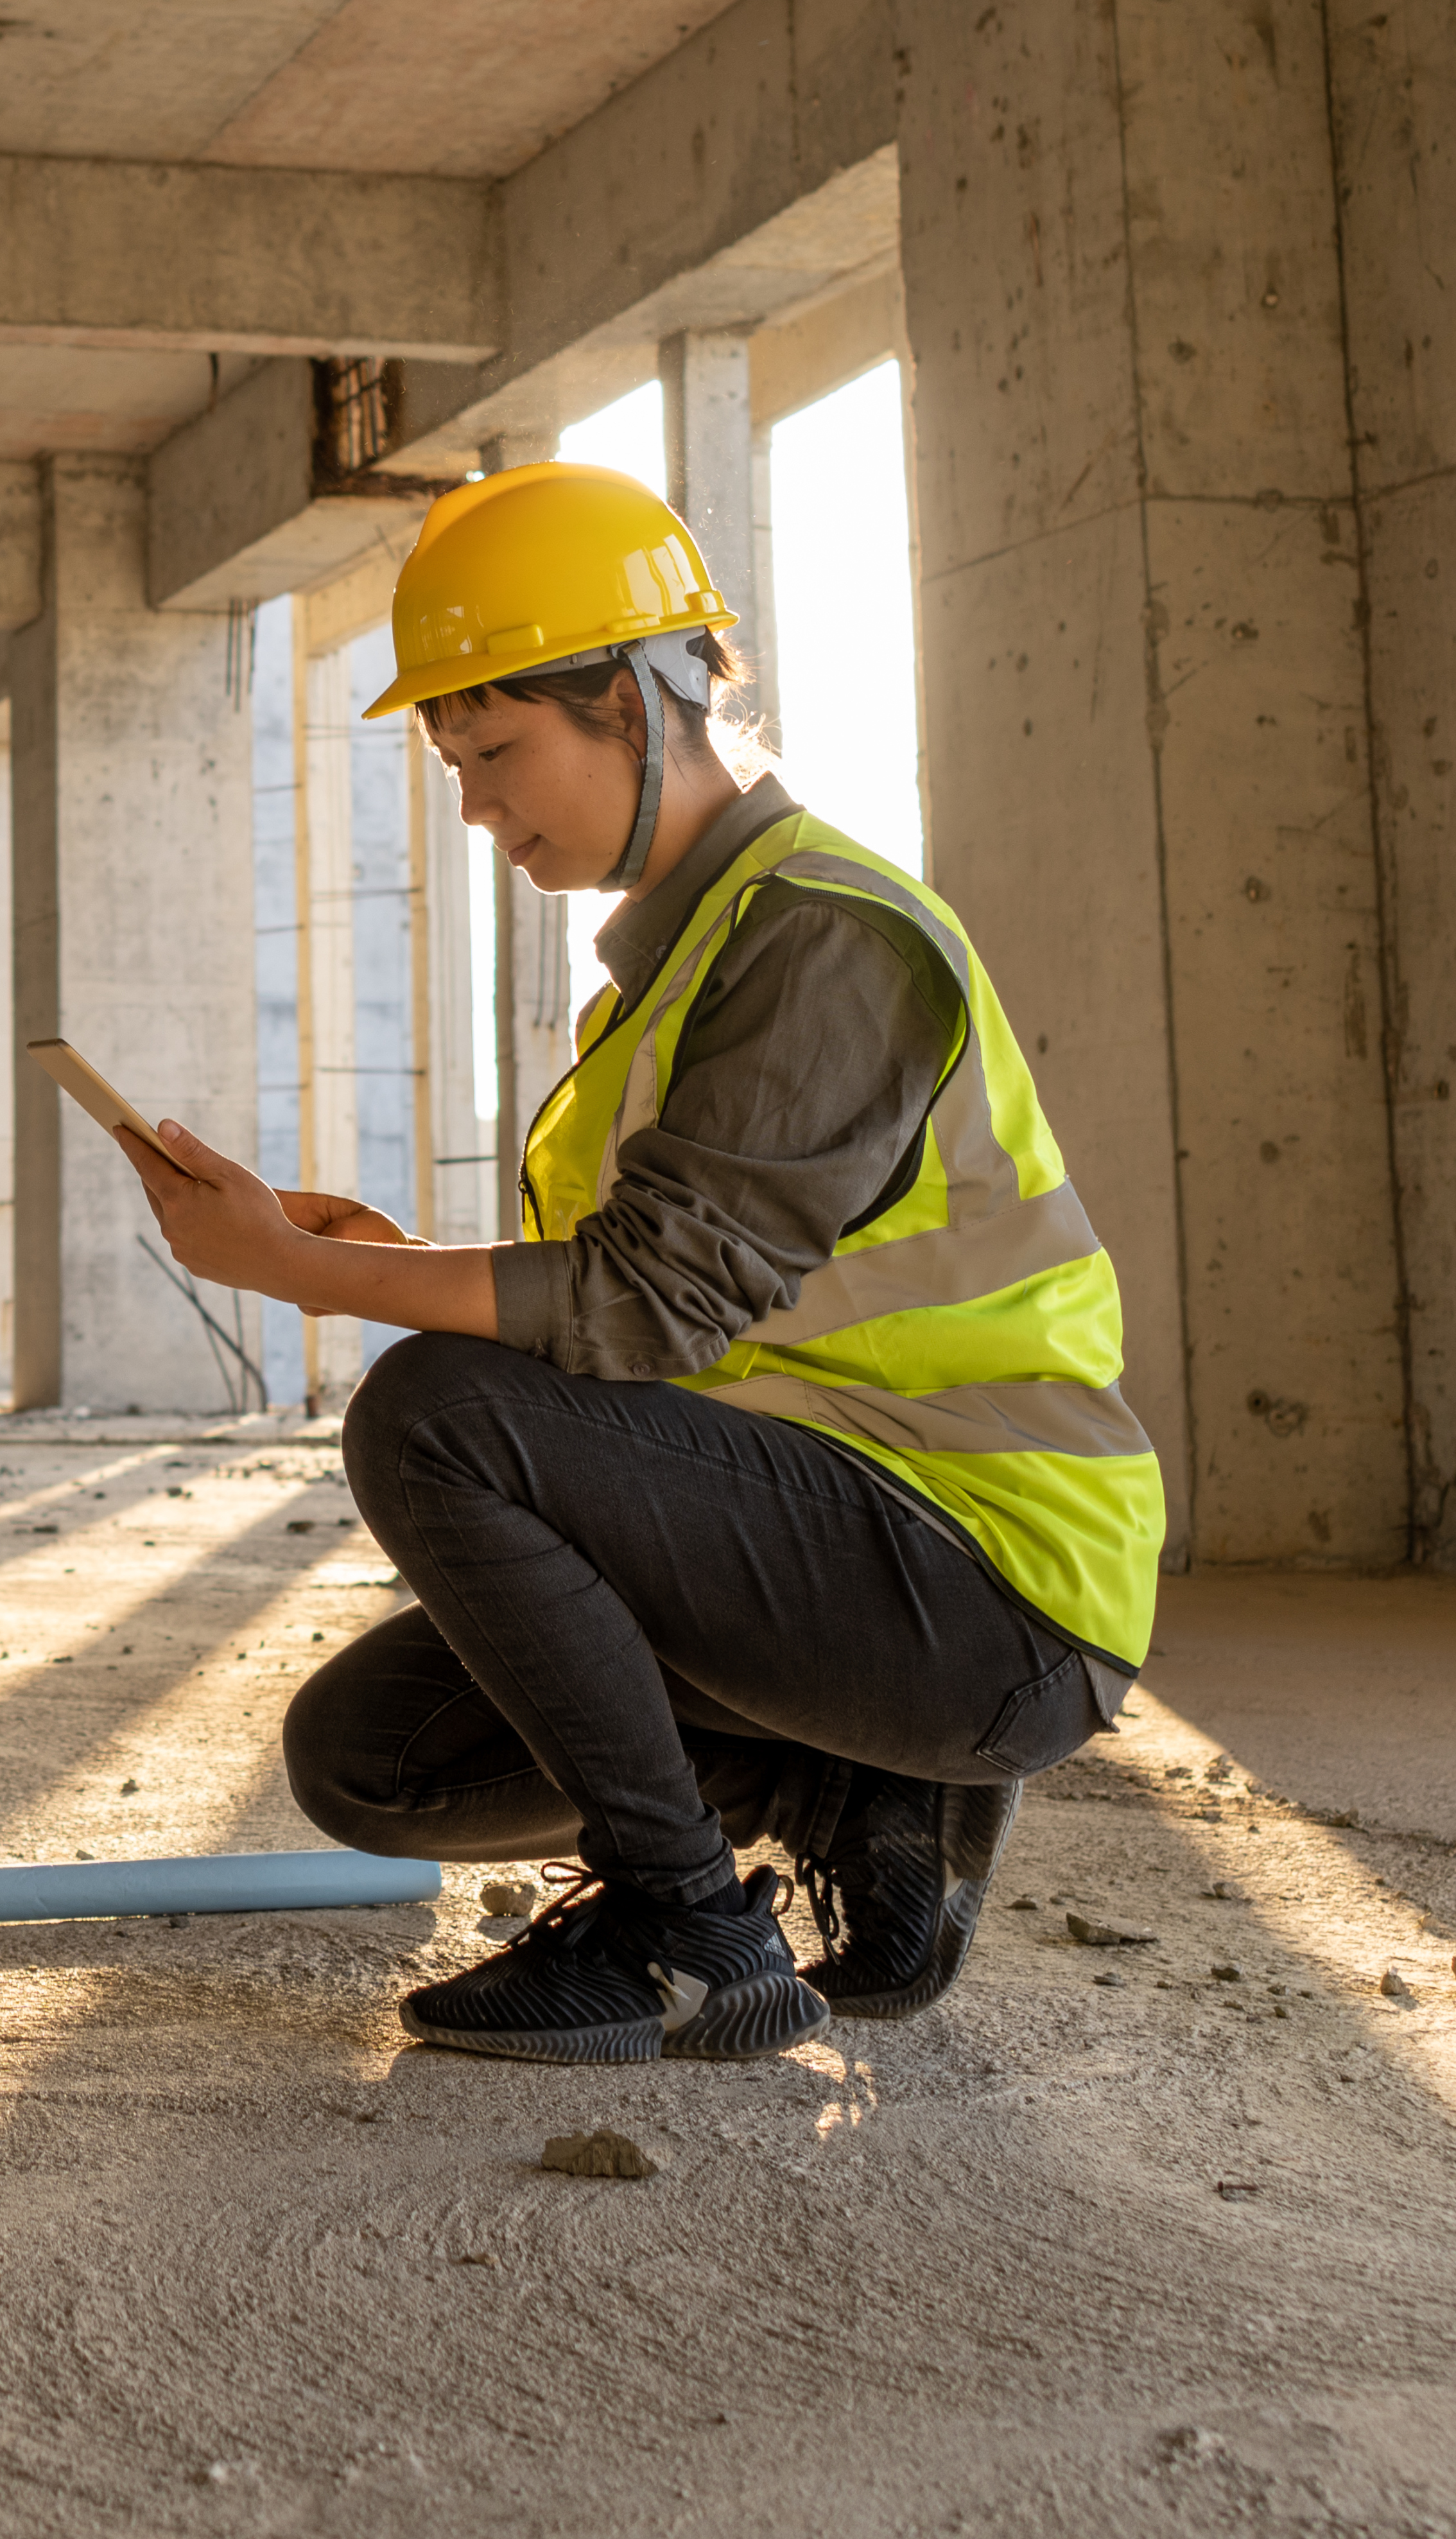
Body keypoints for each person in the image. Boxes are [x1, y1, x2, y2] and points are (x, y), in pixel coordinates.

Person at [112, 461, 1160, 2063]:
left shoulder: (825, 938)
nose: (474, 806)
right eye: (455, 763)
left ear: (629, 700)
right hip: (827, 1537)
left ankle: (686, 1925)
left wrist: (314, 1279)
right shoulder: (678, 971)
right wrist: (392, 1257)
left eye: (493, 751)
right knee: (371, 1756)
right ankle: (855, 1789)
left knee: (430, 1412)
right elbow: (646, 1331)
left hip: (989, 1582)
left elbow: (632, 1306)